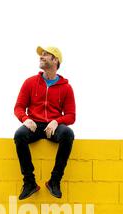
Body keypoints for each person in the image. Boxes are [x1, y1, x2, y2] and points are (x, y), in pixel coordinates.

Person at [14, 46, 76, 200]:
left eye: (46, 55)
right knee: (19, 135)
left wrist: (57, 121)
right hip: (34, 125)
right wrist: (26, 119)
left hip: (52, 127)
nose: (41, 56)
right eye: (41, 54)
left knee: (68, 134)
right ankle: (29, 182)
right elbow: (19, 107)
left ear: (55, 60)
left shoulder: (66, 88)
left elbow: (71, 116)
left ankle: (55, 181)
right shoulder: (30, 82)